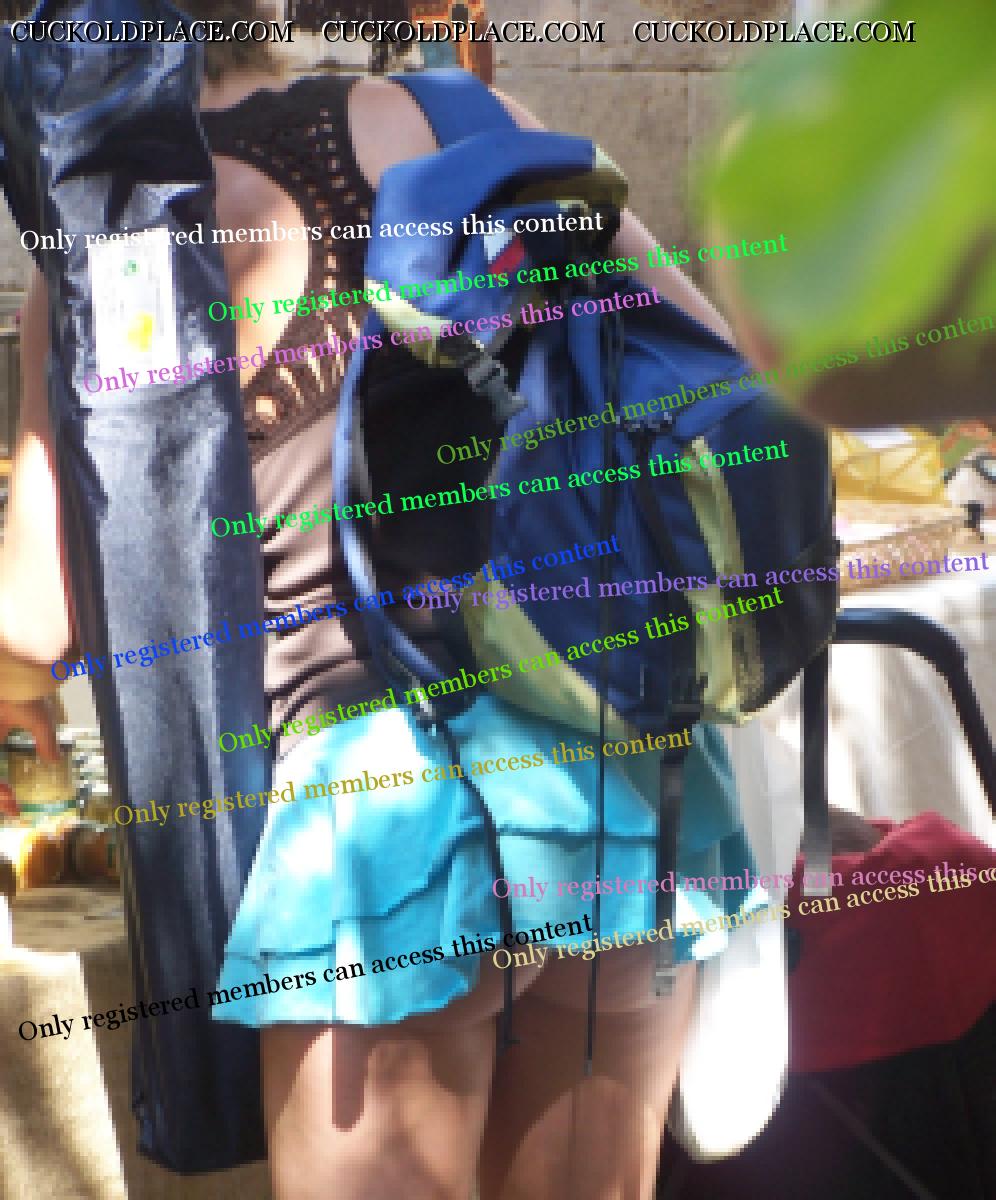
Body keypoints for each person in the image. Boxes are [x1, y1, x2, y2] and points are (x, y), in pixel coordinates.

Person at [0, 6, 765, 1197]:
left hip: (379, 826)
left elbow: (33, 621)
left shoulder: (108, 248)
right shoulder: (476, 121)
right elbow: (726, 396)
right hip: (612, 777)